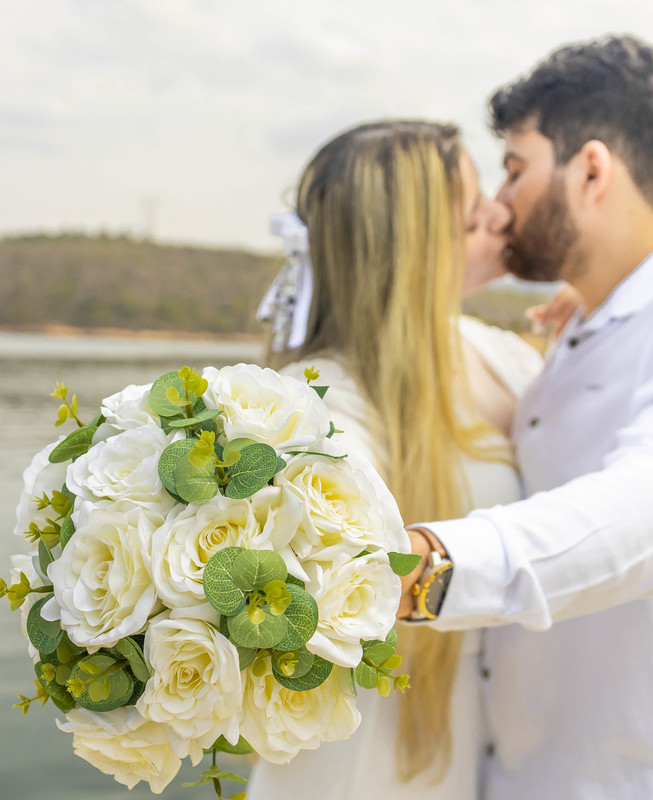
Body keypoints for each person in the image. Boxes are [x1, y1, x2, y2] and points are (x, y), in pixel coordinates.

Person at [398, 35, 653, 799]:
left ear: (590, 171)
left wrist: (424, 568)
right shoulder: (583, 328)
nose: (500, 203)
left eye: (515, 169)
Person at [247, 120, 549, 798]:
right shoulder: (318, 404)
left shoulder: (498, 352)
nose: (500, 215)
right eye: (473, 213)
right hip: (362, 753)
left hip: (477, 732)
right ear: (415, 247)